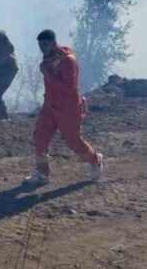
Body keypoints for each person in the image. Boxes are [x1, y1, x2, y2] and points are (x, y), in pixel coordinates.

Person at [26, 29, 103, 185]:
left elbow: (69, 87)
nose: (43, 48)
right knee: (40, 137)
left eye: (46, 44)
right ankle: (42, 174)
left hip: (68, 108)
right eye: (40, 45)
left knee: (73, 141)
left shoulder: (68, 60)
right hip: (50, 106)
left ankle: (95, 160)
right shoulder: (49, 57)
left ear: (54, 43)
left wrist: (47, 73)